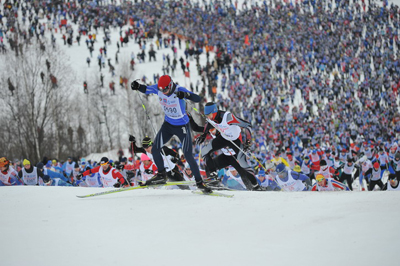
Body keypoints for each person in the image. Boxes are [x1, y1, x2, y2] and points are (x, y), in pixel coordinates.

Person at [131, 75, 210, 192]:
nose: (164, 92)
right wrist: (138, 86)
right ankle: (162, 175)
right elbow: (146, 89)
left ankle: (200, 182)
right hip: (168, 125)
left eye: (166, 90)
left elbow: (198, 98)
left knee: (188, 155)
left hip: (182, 126)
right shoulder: (159, 88)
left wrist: (186, 95)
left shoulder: (179, 90)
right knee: (155, 149)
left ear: (171, 85)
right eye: (162, 90)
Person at [189, 102, 261, 191]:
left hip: (235, 143)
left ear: (214, 112)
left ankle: (255, 186)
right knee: (205, 151)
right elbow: (203, 129)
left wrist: (248, 141)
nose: (208, 117)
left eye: (209, 115)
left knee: (243, 165)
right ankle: (213, 179)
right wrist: (203, 136)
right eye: (206, 115)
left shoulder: (228, 117)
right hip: (225, 146)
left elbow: (247, 125)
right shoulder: (211, 120)